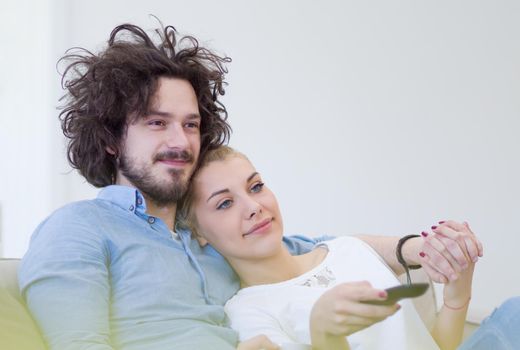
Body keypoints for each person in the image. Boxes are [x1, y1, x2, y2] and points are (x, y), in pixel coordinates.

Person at [18, 21, 481, 350]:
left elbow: (314, 249)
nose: (181, 141)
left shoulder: (206, 240)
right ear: (112, 138)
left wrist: (422, 248)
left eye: (191, 124)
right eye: (156, 123)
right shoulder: (77, 228)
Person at [178, 145, 519, 350]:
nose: (252, 206)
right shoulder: (248, 312)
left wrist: (458, 293)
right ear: (198, 232)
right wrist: (324, 333)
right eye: (224, 204)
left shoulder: (348, 249)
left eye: (256, 187)